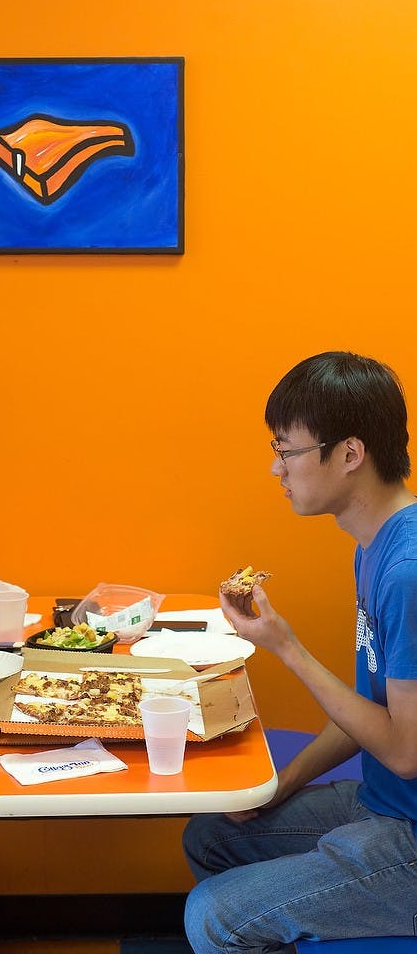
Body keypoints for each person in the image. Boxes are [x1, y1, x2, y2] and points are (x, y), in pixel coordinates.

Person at [182, 351, 417, 953]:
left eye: (287, 450)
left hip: (410, 832)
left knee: (211, 916)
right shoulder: (375, 543)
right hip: (384, 799)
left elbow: (405, 750)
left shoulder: (407, 572)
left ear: (349, 453)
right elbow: (371, 708)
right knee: (211, 835)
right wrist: (280, 787)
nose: (276, 469)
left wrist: (287, 648)